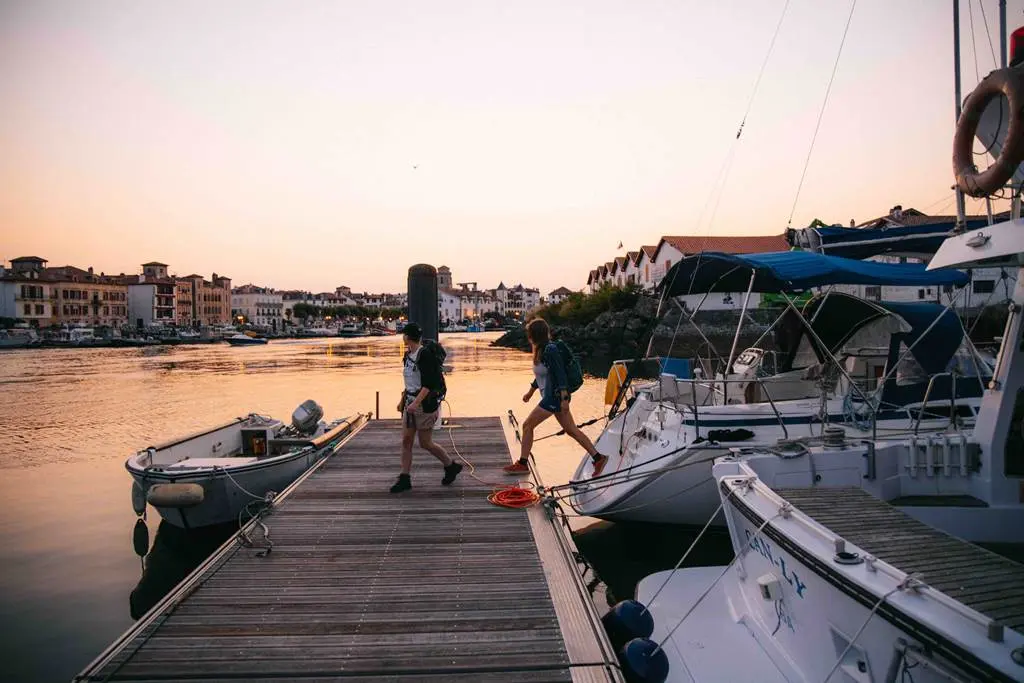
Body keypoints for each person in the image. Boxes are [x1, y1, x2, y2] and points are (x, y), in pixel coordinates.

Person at [504, 318, 608, 477]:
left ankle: (522, 464)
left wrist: (564, 399)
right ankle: (599, 458)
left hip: (554, 397)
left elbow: (560, 374)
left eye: (529, 333)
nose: (527, 336)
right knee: (571, 430)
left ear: (533, 334)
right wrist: (530, 392)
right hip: (552, 396)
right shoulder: (541, 350)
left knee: (527, 426)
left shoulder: (550, 350)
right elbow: (543, 374)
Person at [390, 322, 462, 493]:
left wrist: (416, 403)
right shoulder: (407, 355)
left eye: (404, 334)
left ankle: (450, 465)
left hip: (424, 405)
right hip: (409, 403)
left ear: (408, 337)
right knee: (406, 441)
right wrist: (403, 400)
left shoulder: (425, 355)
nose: (403, 337)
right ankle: (405, 478)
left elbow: (429, 383)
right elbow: (410, 382)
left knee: (425, 443)